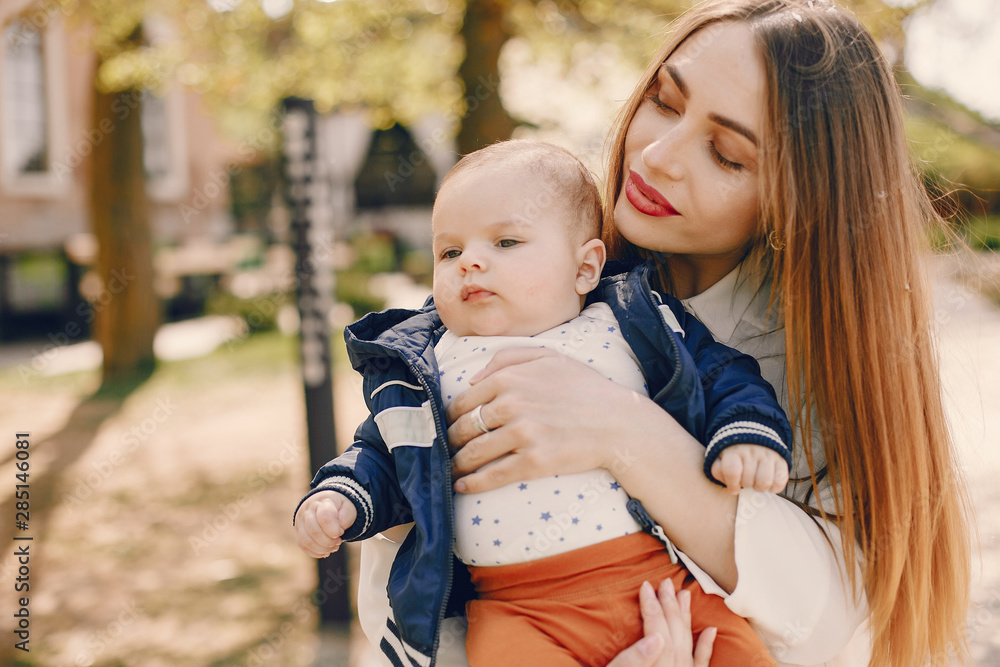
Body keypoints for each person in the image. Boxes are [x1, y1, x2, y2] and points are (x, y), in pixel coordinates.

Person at [435, 2, 972, 667]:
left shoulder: (823, 364)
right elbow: (400, 582)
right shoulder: (519, 271)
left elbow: (842, 618)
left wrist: (625, 431)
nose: (657, 156)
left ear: (799, 199)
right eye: (663, 101)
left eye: (725, 154)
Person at [295, 139, 793, 666]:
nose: (472, 263)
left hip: (657, 579)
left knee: (737, 653)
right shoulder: (430, 367)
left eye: (506, 242)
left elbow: (720, 372)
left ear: (584, 269)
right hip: (517, 610)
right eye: (450, 252)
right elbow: (380, 452)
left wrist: (747, 429)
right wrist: (343, 495)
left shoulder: (632, 325)